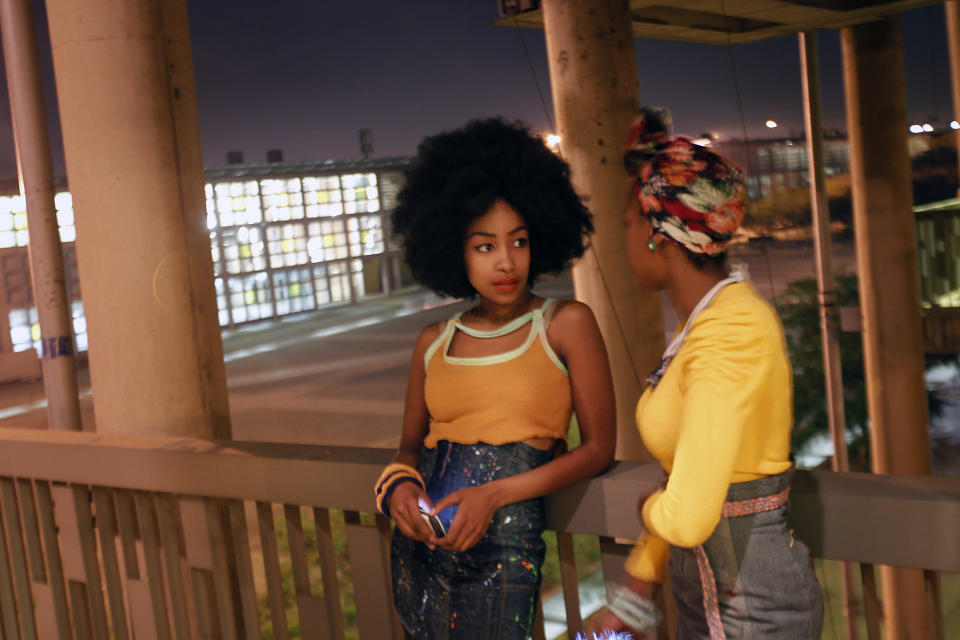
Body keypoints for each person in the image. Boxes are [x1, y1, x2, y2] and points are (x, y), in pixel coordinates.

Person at [375, 117, 617, 639]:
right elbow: (408, 449)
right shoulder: (433, 340)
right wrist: (398, 489)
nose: (506, 262)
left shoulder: (565, 324)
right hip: (422, 545)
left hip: (505, 544)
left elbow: (598, 450)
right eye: (485, 246)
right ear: (454, 252)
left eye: (519, 242)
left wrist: (495, 494)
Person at [596, 109, 824, 639]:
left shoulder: (732, 330)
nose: (624, 238)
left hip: (751, 612)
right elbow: (693, 484)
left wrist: (650, 506)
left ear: (660, 236)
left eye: (629, 224)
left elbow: (689, 513)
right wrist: (632, 597)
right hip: (724, 600)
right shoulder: (712, 323)